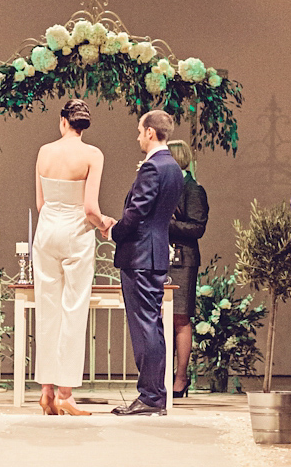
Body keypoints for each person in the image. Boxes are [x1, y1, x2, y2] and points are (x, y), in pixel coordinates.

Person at [32, 99, 111, 415]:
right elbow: (90, 208)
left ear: (63, 121)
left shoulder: (44, 152)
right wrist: (105, 225)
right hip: (76, 233)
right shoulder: (92, 155)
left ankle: (46, 391)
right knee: (73, 309)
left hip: (47, 231)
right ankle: (66, 394)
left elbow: (41, 203)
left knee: (47, 308)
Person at [107, 111, 184, 417]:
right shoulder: (174, 168)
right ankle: (155, 394)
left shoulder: (153, 167)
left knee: (144, 328)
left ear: (151, 133)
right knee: (152, 325)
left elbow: (137, 213)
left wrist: (114, 230)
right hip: (154, 254)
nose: (138, 136)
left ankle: (151, 395)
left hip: (140, 256)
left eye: (140, 131)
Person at [166, 140, 209, 399]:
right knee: (162, 319)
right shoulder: (165, 187)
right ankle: (162, 376)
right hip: (162, 257)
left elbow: (197, 228)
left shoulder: (193, 189)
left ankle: (181, 378)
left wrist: (167, 223)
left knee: (180, 318)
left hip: (183, 260)